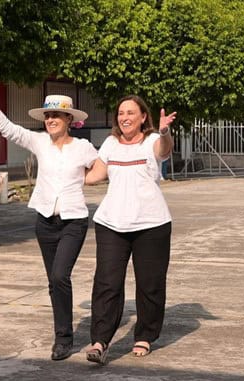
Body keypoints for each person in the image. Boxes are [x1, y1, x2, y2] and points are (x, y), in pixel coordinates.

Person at [0, 73, 98, 361]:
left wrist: (84, 181)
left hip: (73, 221)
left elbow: (102, 168)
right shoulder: (39, 142)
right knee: (53, 280)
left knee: (61, 275)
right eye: (48, 116)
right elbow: (10, 130)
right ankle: (62, 338)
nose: (50, 120)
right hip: (45, 221)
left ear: (69, 119)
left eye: (56, 116)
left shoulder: (82, 148)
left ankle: (65, 338)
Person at [84, 95, 176, 365]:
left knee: (150, 284)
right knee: (106, 284)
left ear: (143, 117)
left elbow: (164, 150)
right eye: (121, 112)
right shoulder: (111, 143)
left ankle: (145, 336)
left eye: (131, 112)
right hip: (112, 223)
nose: (124, 117)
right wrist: (61, 169)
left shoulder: (151, 142)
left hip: (152, 224)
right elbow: (94, 176)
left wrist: (164, 131)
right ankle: (100, 341)